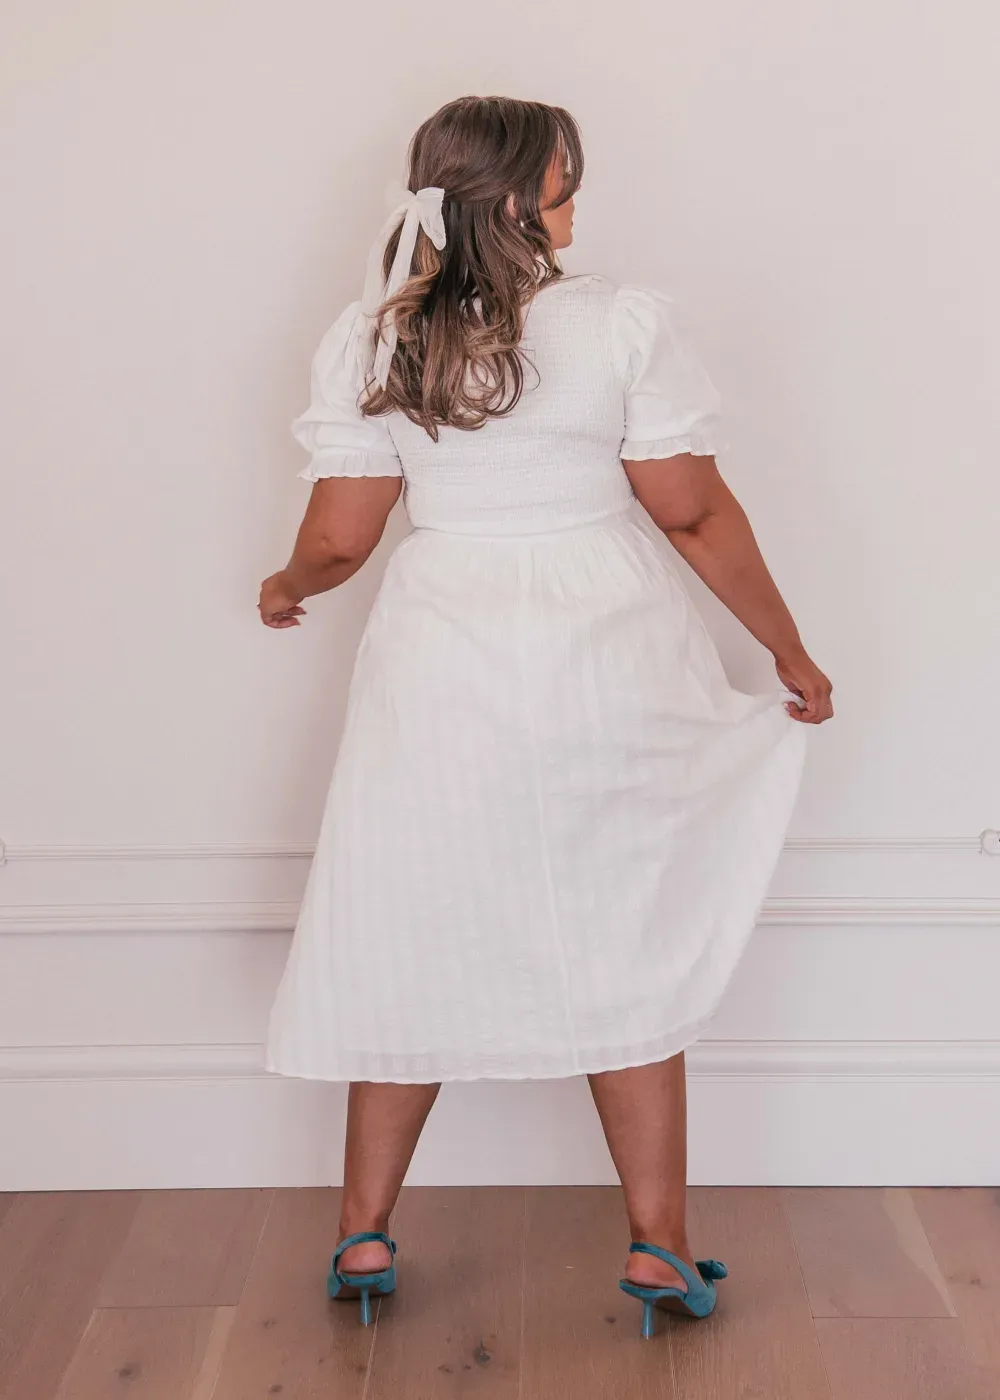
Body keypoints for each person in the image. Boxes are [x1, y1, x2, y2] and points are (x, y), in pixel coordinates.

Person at [259, 94, 832, 1338]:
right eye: (567, 180)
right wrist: (784, 647)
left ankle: (364, 1233)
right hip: (601, 639)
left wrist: (288, 583)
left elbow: (342, 536)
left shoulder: (374, 336)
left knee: (409, 916)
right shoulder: (619, 323)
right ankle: (657, 1246)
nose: (578, 201)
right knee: (625, 918)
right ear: (518, 199)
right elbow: (690, 510)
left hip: (440, 642)